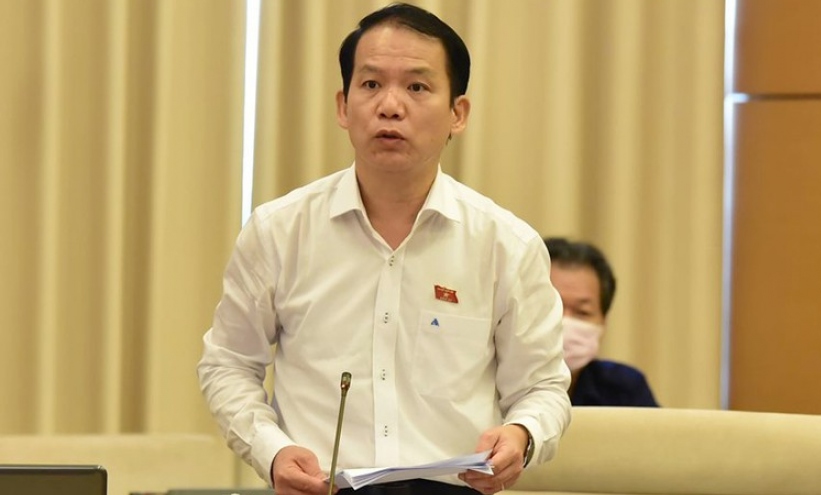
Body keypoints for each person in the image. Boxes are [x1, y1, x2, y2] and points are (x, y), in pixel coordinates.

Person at [197, 4, 572, 495]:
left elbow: (542, 387)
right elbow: (227, 364)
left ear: (457, 114)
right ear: (343, 105)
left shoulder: (507, 244)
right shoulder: (279, 232)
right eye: (371, 84)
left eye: (417, 87)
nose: (390, 106)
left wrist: (522, 434)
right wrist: (272, 451)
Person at [544, 237, 659, 407]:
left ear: (603, 323)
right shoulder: (499, 385)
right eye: (552, 307)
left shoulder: (625, 388)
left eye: (582, 312)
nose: (565, 321)